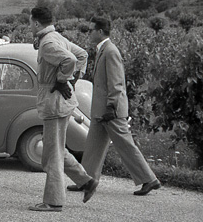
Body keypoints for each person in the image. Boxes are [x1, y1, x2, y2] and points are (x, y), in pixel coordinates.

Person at [67, 16, 160, 196]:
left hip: (111, 111)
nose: (89, 33)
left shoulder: (110, 51)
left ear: (100, 32)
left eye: (92, 30)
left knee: (125, 144)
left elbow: (116, 82)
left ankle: (149, 179)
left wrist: (111, 107)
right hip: (100, 111)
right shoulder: (103, 50)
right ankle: (85, 181)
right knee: (93, 146)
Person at [28, 6, 97, 212]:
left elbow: (71, 59)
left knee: (52, 155)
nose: (30, 26)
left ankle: (53, 201)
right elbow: (82, 54)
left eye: (30, 22)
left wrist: (62, 80)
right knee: (54, 149)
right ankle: (86, 181)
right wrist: (72, 81)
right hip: (60, 103)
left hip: (54, 104)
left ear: (37, 23)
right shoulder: (56, 37)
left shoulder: (48, 43)